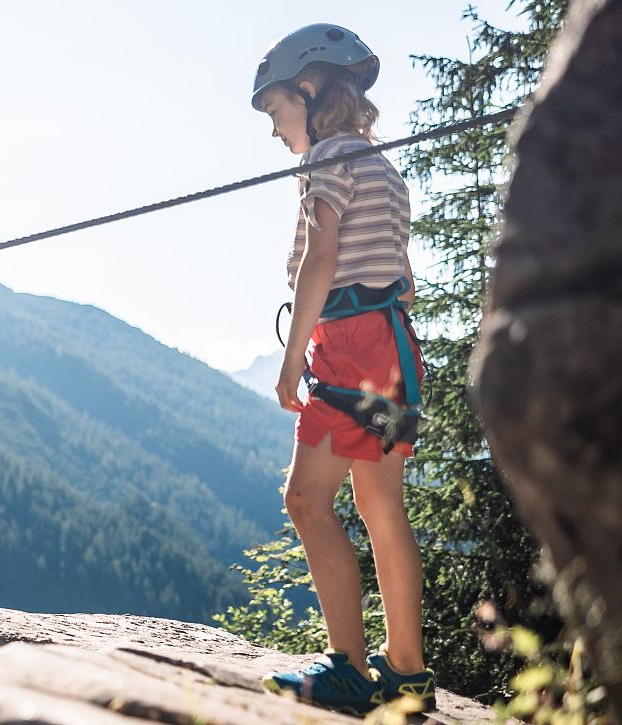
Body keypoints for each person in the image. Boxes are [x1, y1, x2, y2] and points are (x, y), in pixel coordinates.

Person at [251, 23, 436, 715]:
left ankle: (349, 667)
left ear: (309, 88)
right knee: (381, 504)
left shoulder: (324, 159)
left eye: (276, 112)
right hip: (394, 348)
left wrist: (292, 359)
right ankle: (407, 670)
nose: (274, 131)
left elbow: (319, 261)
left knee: (305, 500)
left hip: (351, 347)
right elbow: (407, 283)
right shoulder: (385, 170)